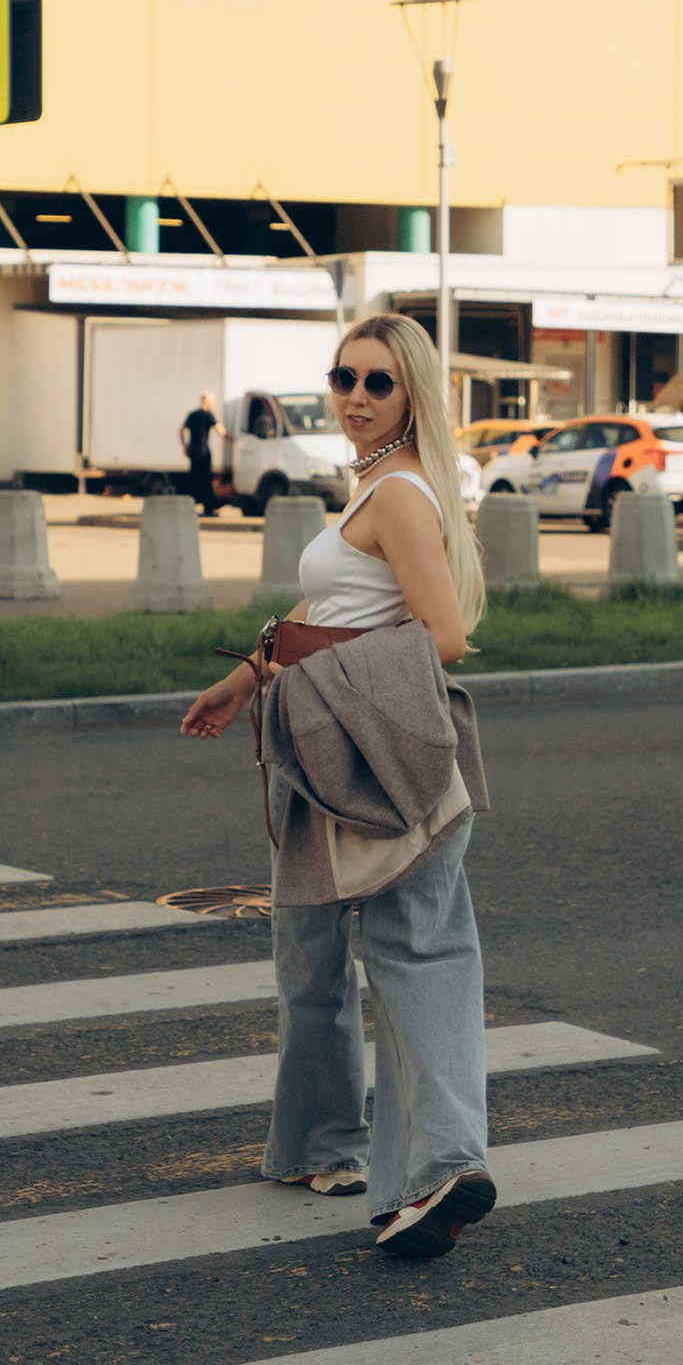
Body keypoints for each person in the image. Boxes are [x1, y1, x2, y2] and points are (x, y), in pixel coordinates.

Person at [181, 313, 495, 1259]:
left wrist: (305, 666)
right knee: (311, 951)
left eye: (379, 383)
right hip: (330, 753)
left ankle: (441, 1168)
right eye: (344, 376)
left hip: (378, 754)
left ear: (413, 397)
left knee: (414, 955)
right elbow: (331, 603)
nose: (355, 395)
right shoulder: (373, 488)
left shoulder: (400, 494)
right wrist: (246, 676)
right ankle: (326, 1144)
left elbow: (442, 635)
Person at [182, 388, 219, 514]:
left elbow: (181, 430)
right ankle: (208, 509)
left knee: (193, 481)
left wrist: (185, 446)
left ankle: (190, 508)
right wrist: (231, 438)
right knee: (206, 481)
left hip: (193, 452)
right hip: (204, 452)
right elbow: (221, 430)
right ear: (208, 402)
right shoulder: (208, 415)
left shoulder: (193, 415)